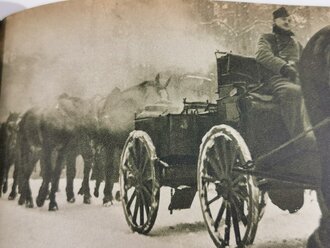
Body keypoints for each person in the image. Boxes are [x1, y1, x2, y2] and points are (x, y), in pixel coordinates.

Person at [256, 7, 315, 150]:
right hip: (277, 79)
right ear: (274, 21)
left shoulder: (296, 43)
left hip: (298, 78)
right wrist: (284, 68)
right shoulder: (267, 38)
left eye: (289, 20)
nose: (287, 22)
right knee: (294, 92)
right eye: (283, 19)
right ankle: (301, 139)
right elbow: (262, 55)